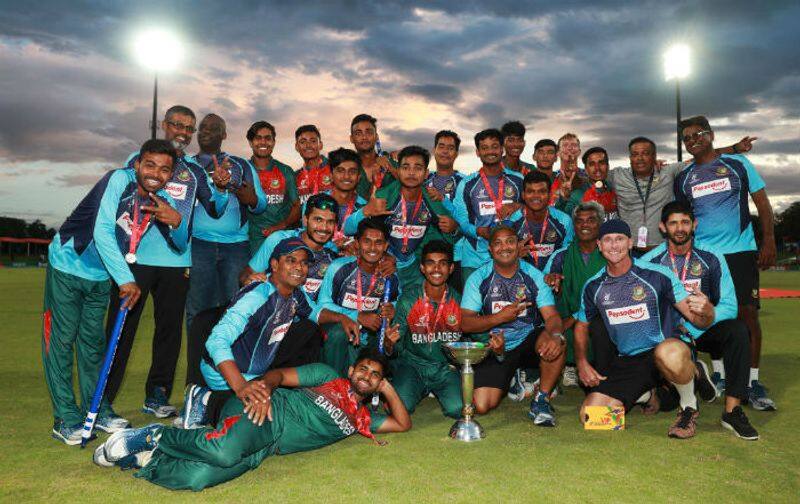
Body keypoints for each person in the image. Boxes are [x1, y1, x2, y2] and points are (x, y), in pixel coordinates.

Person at [93, 349, 411, 491]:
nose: (367, 376)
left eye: (375, 375)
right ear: (352, 370)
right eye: (364, 369)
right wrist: (267, 391)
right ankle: (155, 435)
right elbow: (279, 374)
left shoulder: (363, 417)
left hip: (267, 447)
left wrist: (388, 387)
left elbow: (402, 424)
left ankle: (146, 459)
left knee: (198, 480)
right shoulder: (327, 375)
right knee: (224, 452)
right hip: (261, 412)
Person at [43, 139, 184, 443]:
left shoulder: (155, 203)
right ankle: (65, 418)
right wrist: (125, 279)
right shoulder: (118, 179)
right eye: (149, 165)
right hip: (69, 264)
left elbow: (179, 244)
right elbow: (102, 230)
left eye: (164, 169)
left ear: (170, 175)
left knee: (94, 344)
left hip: (100, 275)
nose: (155, 173)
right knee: (63, 341)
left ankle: (99, 408)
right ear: (137, 165)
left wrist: (177, 222)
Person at [107, 105, 227, 419]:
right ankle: (103, 397)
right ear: (164, 125)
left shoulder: (195, 171)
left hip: (177, 261)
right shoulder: (138, 161)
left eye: (189, 128)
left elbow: (214, 208)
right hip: (135, 259)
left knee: (169, 330)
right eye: (176, 125)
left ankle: (157, 393)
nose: (182, 133)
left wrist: (224, 187)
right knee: (122, 329)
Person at [179, 236, 361, 428]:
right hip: (225, 374)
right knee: (266, 419)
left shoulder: (295, 294)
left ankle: (225, 400)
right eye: (291, 261)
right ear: (274, 265)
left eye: (304, 263)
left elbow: (316, 313)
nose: (299, 267)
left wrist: (342, 317)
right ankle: (205, 400)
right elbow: (216, 341)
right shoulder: (257, 296)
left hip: (256, 370)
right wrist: (241, 386)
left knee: (286, 410)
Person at [574, 220, 718, 439]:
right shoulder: (593, 286)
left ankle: (688, 407)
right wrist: (582, 362)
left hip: (665, 350)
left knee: (667, 352)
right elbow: (581, 326)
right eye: (608, 240)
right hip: (629, 359)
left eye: (620, 239)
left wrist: (707, 311)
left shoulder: (658, 275)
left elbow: (698, 321)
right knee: (591, 417)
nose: (614, 245)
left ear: (630, 243)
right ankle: (650, 396)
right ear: (599, 246)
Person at [675, 115, 776, 411]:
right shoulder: (684, 177)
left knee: (747, 315)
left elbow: (762, 203)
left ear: (711, 135)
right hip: (705, 257)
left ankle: (751, 382)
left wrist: (768, 239)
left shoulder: (739, 165)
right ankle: (719, 376)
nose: (693, 140)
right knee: (711, 314)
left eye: (699, 134)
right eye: (687, 138)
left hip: (740, 252)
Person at [641, 201, 759, 439]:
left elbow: (730, 305)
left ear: (694, 224)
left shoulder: (712, 257)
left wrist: (709, 313)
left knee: (738, 330)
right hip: (670, 336)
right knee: (663, 402)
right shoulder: (649, 263)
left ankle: (732, 411)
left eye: (685, 222)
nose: (680, 228)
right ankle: (694, 374)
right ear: (663, 227)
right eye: (673, 223)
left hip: (704, 328)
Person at [460, 226, 565, 426]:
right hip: (495, 345)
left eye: (509, 241)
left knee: (556, 340)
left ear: (518, 246)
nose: (504, 247)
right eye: (497, 243)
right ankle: (511, 378)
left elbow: (552, 317)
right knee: (481, 406)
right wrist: (499, 317)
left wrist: (557, 334)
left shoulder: (534, 276)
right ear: (490, 249)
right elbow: (465, 323)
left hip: (528, 340)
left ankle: (541, 399)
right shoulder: (478, 278)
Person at [186, 113, 266, 334]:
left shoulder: (239, 164)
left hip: (236, 247)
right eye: (202, 128)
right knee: (197, 309)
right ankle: (195, 366)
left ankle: (229, 363)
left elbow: (261, 204)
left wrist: (251, 199)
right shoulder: (186, 165)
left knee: (235, 306)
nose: (206, 132)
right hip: (198, 245)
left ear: (224, 135)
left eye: (213, 128)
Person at [608, 135, 755, 255]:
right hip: (628, 252)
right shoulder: (617, 176)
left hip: (662, 251)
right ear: (629, 157)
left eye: (646, 154)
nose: (640, 158)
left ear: (654, 156)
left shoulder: (669, 171)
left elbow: (701, 157)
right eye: (635, 154)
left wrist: (734, 148)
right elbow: (590, 174)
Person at [345, 145, 459, 289]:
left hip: (415, 272)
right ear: (398, 171)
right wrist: (365, 211)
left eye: (417, 168)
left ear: (426, 174)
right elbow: (348, 228)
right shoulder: (383, 197)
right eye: (405, 167)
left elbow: (446, 239)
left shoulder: (432, 201)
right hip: (382, 267)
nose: (411, 173)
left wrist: (453, 228)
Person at [383, 241, 464, 418]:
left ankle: (437, 390)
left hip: (444, 368)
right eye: (430, 263)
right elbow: (396, 348)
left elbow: (474, 340)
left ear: (451, 268)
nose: (436, 269)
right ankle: (414, 388)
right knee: (398, 409)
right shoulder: (408, 300)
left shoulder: (460, 302)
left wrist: (497, 349)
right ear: (422, 268)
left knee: (459, 409)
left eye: (442, 263)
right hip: (413, 365)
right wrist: (389, 344)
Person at [318, 218, 400, 376]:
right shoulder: (339, 267)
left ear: (386, 246)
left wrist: (391, 310)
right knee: (338, 333)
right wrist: (357, 316)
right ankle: (332, 385)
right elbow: (322, 305)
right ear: (357, 243)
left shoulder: (390, 276)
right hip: (338, 333)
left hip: (368, 337)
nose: (372, 248)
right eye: (367, 241)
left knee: (394, 341)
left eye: (378, 243)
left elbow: (394, 302)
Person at [543, 201, 607, 388]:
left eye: (591, 220)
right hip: (569, 323)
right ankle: (569, 365)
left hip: (600, 320)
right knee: (550, 330)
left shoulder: (610, 252)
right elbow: (547, 285)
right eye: (579, 221)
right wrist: (552, 280)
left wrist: (573, 319)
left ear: (600, 224)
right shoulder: (561, 255)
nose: (584, 225)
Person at [452, 129, 524, 286]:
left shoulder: (518, 180)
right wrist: (479, 231)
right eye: (484, 148)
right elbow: (460, 222)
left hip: (510, 254)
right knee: (473, 307)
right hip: (475, 256)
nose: (490, 151)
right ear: (478, 152)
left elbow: (533, 208)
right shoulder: (467, 184)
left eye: (494, 146)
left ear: (502, 149)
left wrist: (518, 205)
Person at [245, 121, 300, 253]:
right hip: (249, 241)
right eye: (258, 138)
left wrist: (280, 226)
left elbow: (297, 206)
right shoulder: (243, 170)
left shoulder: (285, 171)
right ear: (251, 142)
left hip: (280, 239)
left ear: (274, 142)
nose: (263, 142)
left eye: (268, 138)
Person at [508, 171, 574, 271]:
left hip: (553, 281)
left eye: (542, 191)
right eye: (530, 191)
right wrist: (513, 256)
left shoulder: (564, 221)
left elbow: (569, 257)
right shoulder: (511, 222)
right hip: (522, 282)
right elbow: (501, 260)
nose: (536, 196)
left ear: (549, 194)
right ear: (523, 195)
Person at [425, 130, 465, 288]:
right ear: (434, 150)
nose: (445, 151)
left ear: (456, 153)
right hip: (424, 253)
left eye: (450, 148)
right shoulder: (423, 180)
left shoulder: (465, 183)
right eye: (441, 146)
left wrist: (456, 227)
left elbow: (472, 219)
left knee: (454, 303)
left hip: (456, 255)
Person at [351, 114, 397, 199]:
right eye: (358, 133)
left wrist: (391, 169)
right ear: (351, 139)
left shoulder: (391, 164)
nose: (364, 137)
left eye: (369, 132)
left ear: (376, 137)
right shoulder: (345, 169)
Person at [549, 133, 588, 215]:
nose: (570, 148)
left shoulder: (590, 177)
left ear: (579, 152)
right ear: (558, 153)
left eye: (574, 145)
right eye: (565, 145)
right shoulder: (549, 179)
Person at [294, 124, 333, 204]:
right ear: (297, 147)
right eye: (303, 142)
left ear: (320, 145)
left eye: (313, 141)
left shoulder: (335, 169)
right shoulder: (294, 177)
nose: (308, 145)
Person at [581, 146, 618, 220]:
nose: (597, 168)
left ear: (608, 166)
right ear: (586, 169)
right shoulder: (578, 194)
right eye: (592, 164)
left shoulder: (615, 190)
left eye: (601, 163)